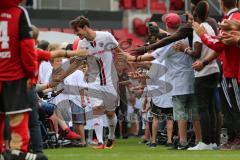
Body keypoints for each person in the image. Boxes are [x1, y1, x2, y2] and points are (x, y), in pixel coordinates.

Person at [0, 1, 48, 159]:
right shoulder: (18, 12)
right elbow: (27, 46)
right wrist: (30, 72)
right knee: (18, 117)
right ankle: (18, 152)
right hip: (14, 76)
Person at [70, 16, 126, 148]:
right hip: (93, 81)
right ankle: (100, 141)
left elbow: (119, 52)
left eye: (77, 31)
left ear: (84, 27)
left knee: (110, 113)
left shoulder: (106, 36)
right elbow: (78, 62)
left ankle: (111, 136)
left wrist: (119, 68)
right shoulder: (82, 43)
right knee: (96, 110)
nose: (76, 34)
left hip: (109, 81)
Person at [191, 0, 240, 150]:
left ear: (221, 4)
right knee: (222, 108)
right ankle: (230, 139)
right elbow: (221, 45)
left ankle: (235, 139)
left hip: (233, 69)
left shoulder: (233, 18)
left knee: (232, 108)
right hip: (225, 69)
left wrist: (202, 35)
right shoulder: (229, 19)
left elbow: (217, 45)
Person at [174, 1, 220, 150]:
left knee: (203, 108)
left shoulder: (198, 29)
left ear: (194, 14)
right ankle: (213, 141)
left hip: (203, 72)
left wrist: (184, 49)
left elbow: (197, 53)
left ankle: (205, 142)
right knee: (211, 108)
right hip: (213, 69)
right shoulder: (209, 27)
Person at [132, 0, 218, 55]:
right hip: (213, 65)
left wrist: (146, 48)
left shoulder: (188, 28)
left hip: (200, 71)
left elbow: (169, 39)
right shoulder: (212, 21)